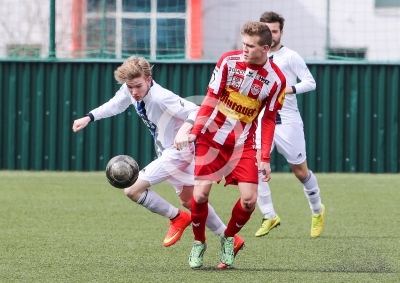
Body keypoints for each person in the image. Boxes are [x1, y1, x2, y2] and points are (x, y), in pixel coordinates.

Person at [72, 56, 244, 250]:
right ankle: (230, 238)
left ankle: (177, 218)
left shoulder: (160, 97)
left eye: (137, 86)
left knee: (132, 190)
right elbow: (115, 104)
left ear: (148, 78)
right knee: (189, 200)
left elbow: (196, 110)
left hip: (178, 153)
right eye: (130, 87)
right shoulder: (130, 89)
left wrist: (184, 129)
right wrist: (89, 117)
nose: (134, 92)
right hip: (169, 151)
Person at [184, 22, 286, 269]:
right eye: (243, 43)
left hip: (243, 145)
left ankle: (228, 238)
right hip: (211, 139)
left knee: (250, 200)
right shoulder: (228, 61)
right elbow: (211, 97)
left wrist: (265, 158)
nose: (244, 49)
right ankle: (199, 242)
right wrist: (196, 130)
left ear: (265, 47)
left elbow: (269, 119)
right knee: (199, 196)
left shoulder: (276, 80)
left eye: (250, 46)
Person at [254, 11, 325, 238]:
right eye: (267, 31)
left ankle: (317, 210)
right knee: (256, 167)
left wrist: (288, 89)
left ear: (281, 32)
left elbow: (310, 82)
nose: (271, 35)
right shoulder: (254, 56)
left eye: (274, 31)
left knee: (300, 172)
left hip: (287, 122)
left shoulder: (290, 56)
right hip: (261, 122)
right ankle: (269, 215)